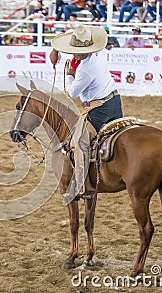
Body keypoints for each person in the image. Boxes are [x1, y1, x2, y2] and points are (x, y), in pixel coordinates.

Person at [49, 25, 123, 203]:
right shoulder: (97, 54)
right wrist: (56, 48)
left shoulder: (83, 69)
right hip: (114, 102)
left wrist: (70, 74)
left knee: (79, 142)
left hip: (99, 110)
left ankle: (81, 186)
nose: (73, 54)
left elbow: (73, 93)